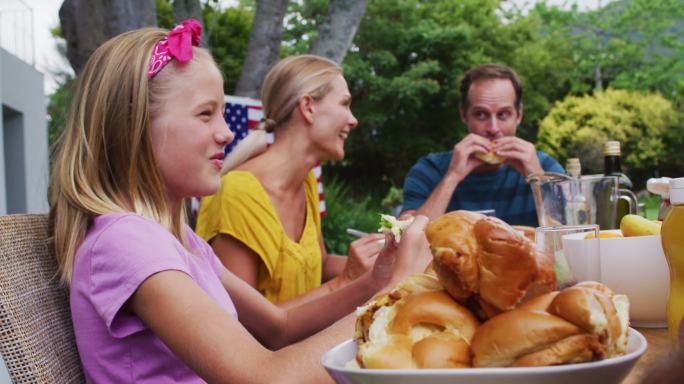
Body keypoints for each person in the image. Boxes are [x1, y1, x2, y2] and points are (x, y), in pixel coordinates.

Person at [48, 21, 432, 383]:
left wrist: (377, 280)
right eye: (205, 115)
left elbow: (277, 327)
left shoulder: (175, 237)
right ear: (134, 126)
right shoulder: (127, 243)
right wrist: (395, 290)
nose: (227, 132)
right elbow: (262, 377)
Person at [195, 55, 386, 305]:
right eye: (345, 104)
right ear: (308, 107)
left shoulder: (305, 182)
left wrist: (381, 260)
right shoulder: (238, 194)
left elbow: (322, 263)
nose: (353, 119)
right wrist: (348, 280)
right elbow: (243, 324)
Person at [401, 64, 564, 226]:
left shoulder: (546, 167)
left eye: (503, 114)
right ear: (464, 115)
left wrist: (539, 181)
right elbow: (407, 242)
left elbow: (572, 235)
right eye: (481, 114)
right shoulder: (428, 171)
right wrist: (452, 177)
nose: (493, 129)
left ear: (519, 115)